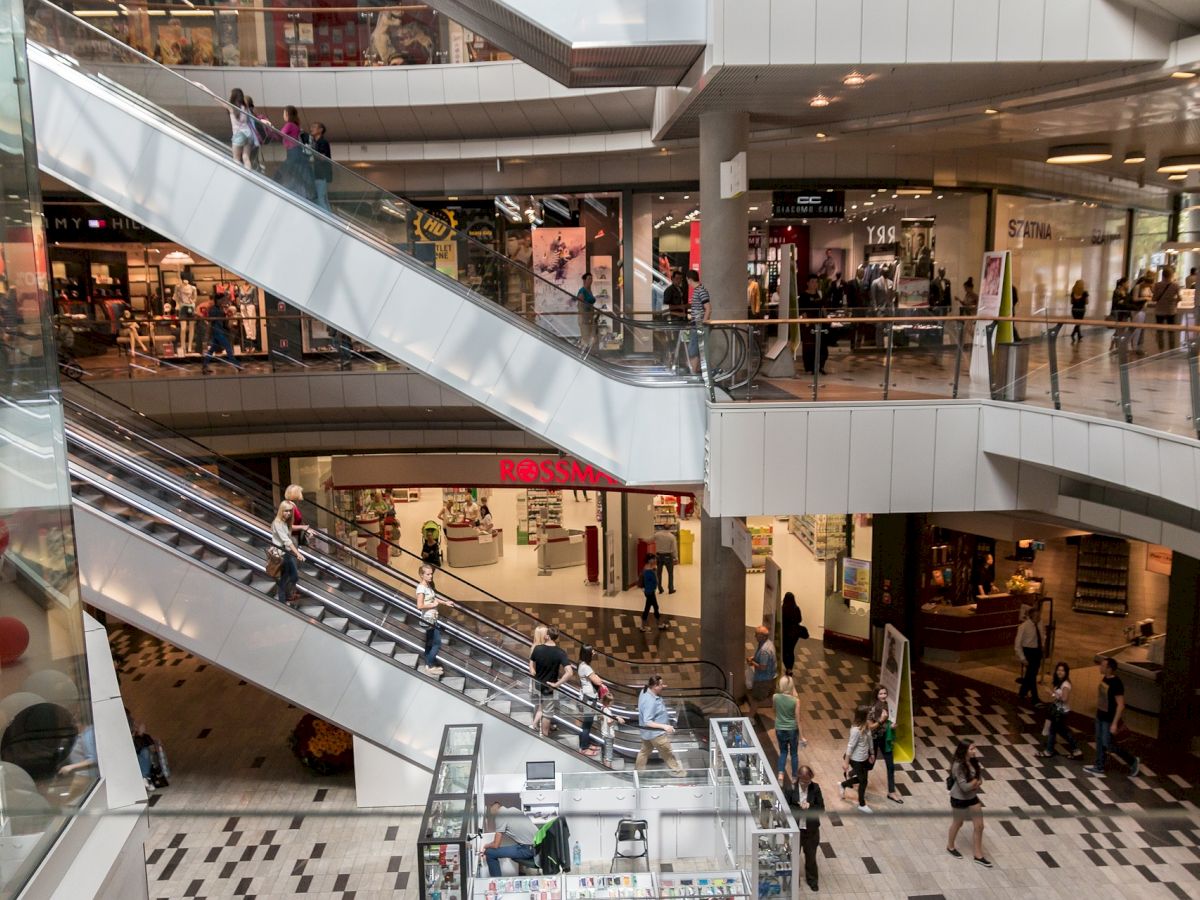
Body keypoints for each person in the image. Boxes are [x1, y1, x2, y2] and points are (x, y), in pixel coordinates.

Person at [1084, 657, 1140, 778]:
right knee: (1099, 741)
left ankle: (1132, 760)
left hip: (1108, 719)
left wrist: (1114, 723)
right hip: (1100, 715)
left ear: (1109, 668)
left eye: (1103, 666)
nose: (1100, 667)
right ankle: (1099, 765)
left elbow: (1121, 705)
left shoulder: (1116, 683)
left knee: (1108, 744)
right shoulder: (1105, 678)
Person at [946, 738, 991, 868]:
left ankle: (978, 855)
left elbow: (979, 779)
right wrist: (975, 783)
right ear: (964, 750)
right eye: (971, 749)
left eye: (974, 748)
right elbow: (964, 787)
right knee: (958, 823)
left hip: (972, 797)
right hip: (959, 798)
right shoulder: (958, 766)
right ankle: (950, 846)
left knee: (979, 826)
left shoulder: (973, 761)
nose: (974, 751)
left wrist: (976, 782)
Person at [635, 675, 685, 775]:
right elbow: (648, 721)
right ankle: (679, 772)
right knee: (667, 753)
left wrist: (661, 685)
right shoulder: (650, 701)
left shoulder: (645, 690)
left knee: (644, 752)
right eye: (661, 685)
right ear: (655, 686)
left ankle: (638, 773)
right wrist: (665, 727)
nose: (663, 686)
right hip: (656, 734)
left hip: (646, 733)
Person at [530, 626, 574, 737]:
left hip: (537, 685)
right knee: (547, 713)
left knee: (540, 706)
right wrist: (556, 684)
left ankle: (538, 727)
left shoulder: (537, 648)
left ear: (547, 636)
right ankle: (545, 735)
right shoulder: (560, 653)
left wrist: (533, 673)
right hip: (549, 688)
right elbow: (569, 672)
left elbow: (531, 664)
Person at [1037, 661, 1083, 759]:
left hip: (1061, 711)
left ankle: (1049, 751)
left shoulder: (1065, 684)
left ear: (1066, 672)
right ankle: (1076, 750)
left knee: (1055, 730)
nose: (1060, 672)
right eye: (1058, 670)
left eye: (1062, 670)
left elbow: (1064, 698)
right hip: (1059, 710)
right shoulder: (1059, 682)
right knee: (1062, 731)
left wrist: (1051, 693)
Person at [416, 563, 455, 676]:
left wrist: (445, 602)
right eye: (427, 574)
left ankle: (429, 666)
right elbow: (419, 605)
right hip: (428, 619)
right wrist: (433, 605)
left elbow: (434, 598)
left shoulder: (428, 586)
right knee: (437, 643)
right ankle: (430, 664)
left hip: (432, 618)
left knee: (430, 643)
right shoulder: (421, 588)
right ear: (421, 575)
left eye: (431, 574)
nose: (430, 576)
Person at [481, 801, 538, 875]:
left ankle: (496, 882)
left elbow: (496, 845)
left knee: (489, 853)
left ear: (495, 806)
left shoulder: (500, 816)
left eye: (490, 807)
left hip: (528, 850)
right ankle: (521, 872)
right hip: (538, 846)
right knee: (516, 845)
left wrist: (485, 846)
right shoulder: (514, 809)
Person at [792, 765, 823, 892]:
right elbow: (786, 807)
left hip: (811, 830)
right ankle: (794, 881)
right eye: (804, 781)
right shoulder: (791, 789)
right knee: (793, 856)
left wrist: (810, 806)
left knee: (811, 857)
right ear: (799, 778)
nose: (806, 784)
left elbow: (821, 809)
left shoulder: (815, 788)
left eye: (808, 781)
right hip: (796, 830)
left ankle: (812, 880)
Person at [869, 686, 902, 804]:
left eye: (885, 693)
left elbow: (885, 722)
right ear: (876, 695)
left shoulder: (885, 704)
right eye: (880, 694)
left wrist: (890, 725)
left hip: (884, 738)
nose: (883, 696)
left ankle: (891, 792)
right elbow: (870, 727)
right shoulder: (872, 709)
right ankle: (852, 775)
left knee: (891, 765)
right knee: (869, 766)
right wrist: (882, 720)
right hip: (874, 739)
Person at [839, 705, 875, 813]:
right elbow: (850, 746)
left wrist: (872, 753)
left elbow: (870, 740)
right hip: (856, 759)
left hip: (864, 757)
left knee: (861, 779)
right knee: (863, 781)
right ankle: (861, 804)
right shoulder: (855, 730)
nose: (870, 715)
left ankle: (843, 784)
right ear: (863, 716)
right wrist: (846, 763)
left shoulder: (866, 726)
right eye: (868, 714)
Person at [275, 105, 315, 200]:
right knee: (295, 174)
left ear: (288, 114)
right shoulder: (295, 125)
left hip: (293, 152)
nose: (283, 115)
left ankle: (275, 185)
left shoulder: (289, 125)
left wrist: (270, 127)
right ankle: (300, 193)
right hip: (295, 152)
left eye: (284, 113)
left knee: (283, 170)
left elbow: (281, 134)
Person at [773, 675, 805, 786]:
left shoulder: (775, 697)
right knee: (794, 754)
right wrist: (802, 737)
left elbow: (775, 711)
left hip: (779, 728)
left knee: (783, 752)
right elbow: (798, 719)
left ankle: (781, 774)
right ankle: (794, 777)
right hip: (792, 729)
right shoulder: (796, 701)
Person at [271, 500, 304, 605]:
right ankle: (282, 600)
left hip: (287, 554)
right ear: (281, 511)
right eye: (286, 511)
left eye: (290, 511)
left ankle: (284, 597)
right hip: (281, 554)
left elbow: (291, 529)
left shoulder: (285, 522)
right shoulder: (277, 523)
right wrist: (298, 553)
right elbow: (287, 541)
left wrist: (304, 528)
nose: (288, 513)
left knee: (293, 576)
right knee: (287, 578)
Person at [576, 645, 605, 756]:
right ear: (587, 653)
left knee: (588, 723)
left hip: (588, 697)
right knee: (587, 724)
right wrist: (598, 678)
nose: (594, 652)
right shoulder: (585, 667)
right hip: (589, 698)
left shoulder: (582, 664)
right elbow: (597, 681)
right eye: (592, 651)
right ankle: (583, 748)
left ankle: (586, 743)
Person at [201, 292, 239, 374]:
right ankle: (237, 365)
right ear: (217, 300)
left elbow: (222, 322)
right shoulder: (213, 310)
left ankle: (204, 366)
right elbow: (211, 322)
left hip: (218, 332)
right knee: (228, 348)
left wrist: (229, 329)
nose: (223, 301)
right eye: (222, 299)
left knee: (211, 350)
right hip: (217, 332)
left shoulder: (220, 309)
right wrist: (208, 334)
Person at [797, 274, 827, 375]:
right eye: (813, 282)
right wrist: (806, 323)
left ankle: (820, 366)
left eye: (816, 282)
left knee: (822, 345)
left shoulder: (819, 294)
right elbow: (802, 311)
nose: (815, 284)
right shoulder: (804, 296)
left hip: (820, 323)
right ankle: (809, 367)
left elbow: (823, 307)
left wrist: (826, 318)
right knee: (809, 346)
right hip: (809, 324)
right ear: (808, 283)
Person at [1014, 604, 1043, 705]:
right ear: (1031, 616)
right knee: (1032, 676)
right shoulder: (1023, 627)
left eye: (1039, 616)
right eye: (1037, 616)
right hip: (1028, 652)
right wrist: (1022, 658)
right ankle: (1035, 698)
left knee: (1031, 674)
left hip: (1037, 651)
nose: (1039, 618)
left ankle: (1022, 693)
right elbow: (1017, 644)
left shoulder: (1039, 624)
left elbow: (1042, 636)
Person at [1152, 266, 1181, 351]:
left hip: (1159, 311)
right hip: (1171, 310)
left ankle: (1161, 349)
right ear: (1171, 275)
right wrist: (1173, 301)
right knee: (1171, 332)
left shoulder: (1157, 285)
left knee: (1160, 331)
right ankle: (1171, 350)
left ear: (1162, 274)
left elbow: (1154, 298)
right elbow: (1179, 298)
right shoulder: (1176, 285)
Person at [686, 270, 710, 374]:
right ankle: (694, 370)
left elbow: (708, 308)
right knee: (694, 348)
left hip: (698, 324)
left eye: (687, 280)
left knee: (693, 349)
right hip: (696, 324)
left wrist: (703, 323)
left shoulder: (700, 290)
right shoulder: (698, 290)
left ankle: (693, 372)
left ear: (690, 279)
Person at [747, 625, 777, 707]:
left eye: (756, 634)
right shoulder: (768, 642)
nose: (754, 636)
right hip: (771, 676)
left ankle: (750, 716)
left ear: (762, 636)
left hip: (763, 680)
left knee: (755, 700)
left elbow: (763, 667)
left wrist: (752, 662)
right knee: (769, 696)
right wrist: (754, 657)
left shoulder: (764, 650)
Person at [227, 87, 256, 170]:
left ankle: (239, 177)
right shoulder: (245, 107)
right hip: (248, 134)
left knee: (236, 159)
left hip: (239, 135)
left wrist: (202, 87)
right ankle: (248, 174)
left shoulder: (231, 107)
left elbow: (215, 98)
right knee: (245, 157)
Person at [307, 122, 333, 211]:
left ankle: (326, 218)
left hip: (321, 175)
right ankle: (329, 218)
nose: (311, 129)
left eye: (314, 127)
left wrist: (311, 150)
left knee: (320, 198)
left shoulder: (322, 142)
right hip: (320, 174)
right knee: (323, 198)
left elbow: (322, 157)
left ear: (321, 130)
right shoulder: (316, 143)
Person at [780, 591, 806, 674]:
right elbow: (800, 620)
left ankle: (786, 666)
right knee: (791, 651)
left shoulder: (782, 609)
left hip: (785, 633)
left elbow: (780, 621)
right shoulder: (796, 608)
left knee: (784, 651)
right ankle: (790, 668)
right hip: (794, 634)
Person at [598, 691, 625, 768]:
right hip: (609, 735)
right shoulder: (608, 711)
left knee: (606, 754)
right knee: (609, 755)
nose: (613, 702)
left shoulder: (602, 709)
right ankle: (608, 771)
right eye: (612, 701)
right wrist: (617, 718)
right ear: (608, 702)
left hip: (605, 733)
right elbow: (609, 722)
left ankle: (606, 767)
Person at [639, 555, 664, 632]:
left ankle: (646, 624)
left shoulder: (651, 569)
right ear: (649, 560)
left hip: (650, 591)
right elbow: (642, 580)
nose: (655, 561)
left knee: (650, 607)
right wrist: (644, 589)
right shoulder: (646, 570)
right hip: (649, 592)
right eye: (653, 559)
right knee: (654, 607)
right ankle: (658, 624)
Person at [577, 272, 599, 353]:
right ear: (584, 280)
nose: (591, 280)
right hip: (584, 318)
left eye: (591, 278)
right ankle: (584, 355)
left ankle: (591, 354)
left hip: (590, 317)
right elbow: (580, 306)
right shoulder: (582, 291)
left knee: (592, 336)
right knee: (586, 337)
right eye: (589, 278)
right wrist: (584, 317)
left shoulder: (589, 290)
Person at [653, 524, 677, 595]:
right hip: (668, 557)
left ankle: (660, 589)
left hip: (659, 556)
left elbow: (650, 539)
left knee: (659, 573)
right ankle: (671, 589)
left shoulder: (657, 534)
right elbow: (674, 549)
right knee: (670, 573)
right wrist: (675, 557)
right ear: (670, 528)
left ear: (662, 527)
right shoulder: (672, 537)